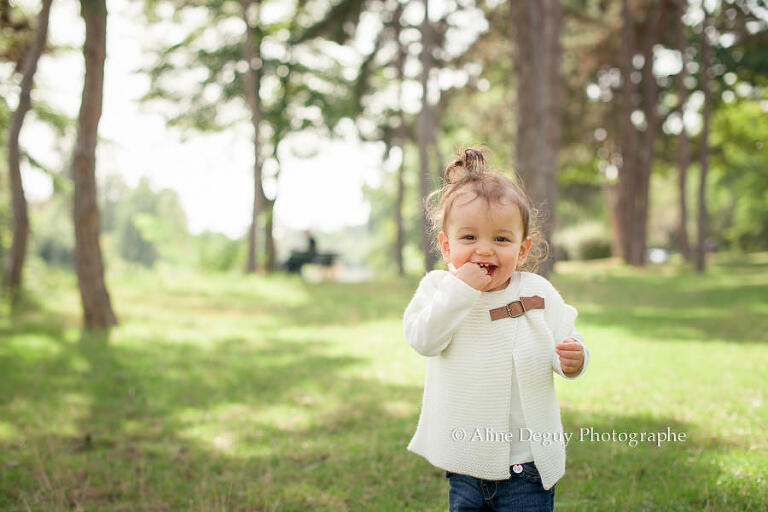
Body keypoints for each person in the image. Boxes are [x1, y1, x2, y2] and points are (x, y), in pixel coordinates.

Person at [403, 147, 589, 512]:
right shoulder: (439, 290)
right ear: (446, 245)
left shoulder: (536, 292)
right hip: (466, 464)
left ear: (522, 250)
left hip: (528, 465)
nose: (484, 250)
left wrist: (575, 358)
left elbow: (567, 337)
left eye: (501, 240)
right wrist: (461, 289)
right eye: (469, 238)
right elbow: (424, 340)